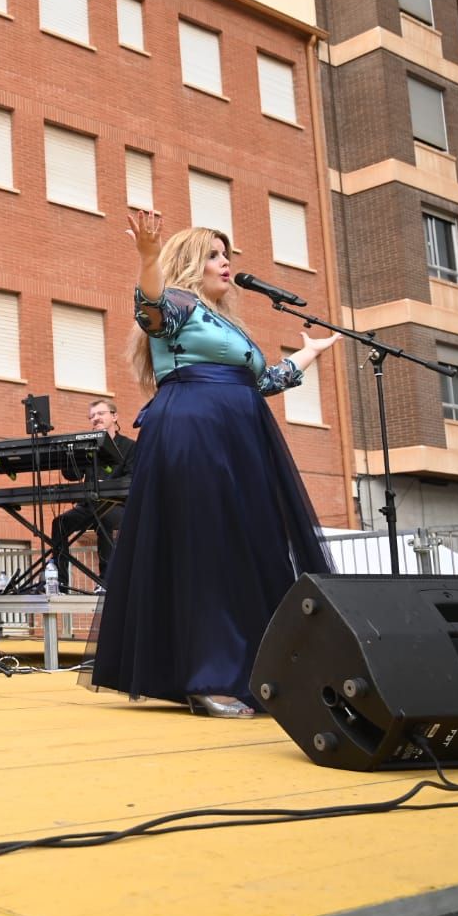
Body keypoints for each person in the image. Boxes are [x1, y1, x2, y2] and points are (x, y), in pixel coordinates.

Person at [87, 210, 340, 718]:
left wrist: (309, 354)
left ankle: (258, 671)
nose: (226, 264)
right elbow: (150, 308)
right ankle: (209, 676)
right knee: (208, 547)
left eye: (227, 255)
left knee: (250, 546)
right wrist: (146, 255)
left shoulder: (227, 323)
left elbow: (262, 383)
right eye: (214, 255)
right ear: (189, 263)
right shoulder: (178, 304)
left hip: (239, 438)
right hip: (195, 431)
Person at [49, 399, 136, 590]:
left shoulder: (130, 446)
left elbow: (132, 478)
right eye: (92, 416)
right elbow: (73, 474)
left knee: (106, 519)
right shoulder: (89, 445)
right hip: (89, 505)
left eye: (100, 414)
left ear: (114, 416)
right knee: (60, 523)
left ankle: (105, 581)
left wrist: (108, 485)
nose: (96, 418)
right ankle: (60, 581)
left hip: (117, 505)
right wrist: (68, 455)